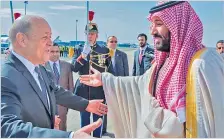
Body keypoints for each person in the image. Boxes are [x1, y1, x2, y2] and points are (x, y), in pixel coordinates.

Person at [80, 1, 224, 138]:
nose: (153, 31)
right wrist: (105, 79)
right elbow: (139, 84)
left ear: (180, 26)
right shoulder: (161, 64)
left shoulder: (204, 63)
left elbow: (214, 124)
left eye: (159, 24)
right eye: (152, 24)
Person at [1, 15, 108, 138]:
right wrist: (69, 137)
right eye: (45, 37)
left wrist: (87, 104)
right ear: (22, 40)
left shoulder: (39, 68)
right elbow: (7, 128)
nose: (51, 43)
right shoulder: (5, 77)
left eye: (50, 37)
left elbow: (55, 91)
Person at [71, 22, 114, 137]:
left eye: (92, 33)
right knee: (84, 122)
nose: (90, 36)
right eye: (88, 34)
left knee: (98, 122)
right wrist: (83, 55)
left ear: (97, 35)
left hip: (99, 91)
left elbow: (110, 71)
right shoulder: (79, 48)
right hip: (83, 91)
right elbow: (74, 68)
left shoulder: (104, 50)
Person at [45, 43, 74, 131]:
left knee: (62, 129)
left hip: (63, 105)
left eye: (57, 51)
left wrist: (69, 103)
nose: (55, 54)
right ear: (48, 52)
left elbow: (70, 86)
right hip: (47, 106)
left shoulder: (67, 66)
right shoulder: (41, 66)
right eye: (52, 51)